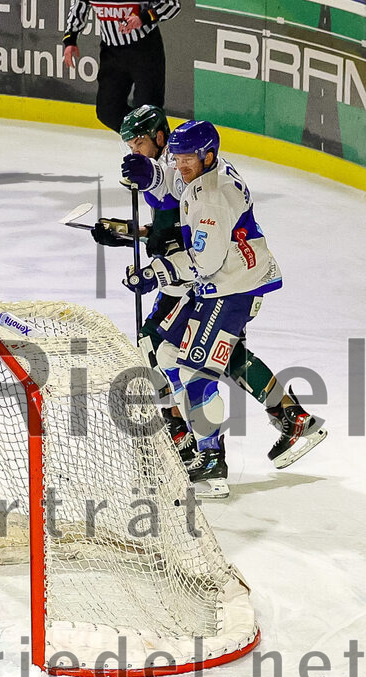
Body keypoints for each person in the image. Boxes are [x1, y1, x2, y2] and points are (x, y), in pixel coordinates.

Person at [97, 106, 326, 484]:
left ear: (206, 155)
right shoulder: (203, 174)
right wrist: (151, 177)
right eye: (178, 158)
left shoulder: (211, 200)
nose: (181, 164)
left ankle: (207, 459)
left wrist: (155, 272)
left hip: (225, 287)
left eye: (186, 158)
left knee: (186, 364)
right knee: (207, 356)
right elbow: (176, 187)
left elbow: (201, 260)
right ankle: (290, 419)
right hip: (225, 283)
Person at [62, 1, 181, 132]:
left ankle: (156, 146)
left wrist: (143, 18)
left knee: (148, 109)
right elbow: (79, 6)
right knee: (108, 112)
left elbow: (172, 5)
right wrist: (70, 39)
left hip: (145, 49)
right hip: (111, 53)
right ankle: (141, 141)